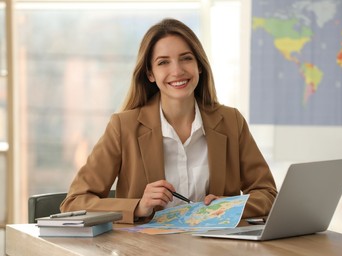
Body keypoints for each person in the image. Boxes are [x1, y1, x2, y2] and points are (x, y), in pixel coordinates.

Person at [60, 18, 277, 224]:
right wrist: (138, 207)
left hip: (216, 251)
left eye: (186, 58)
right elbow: (74, 202)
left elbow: (267, 194)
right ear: (150, 73)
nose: (177, 70)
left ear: (199, 65)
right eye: (163, 62)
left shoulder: (231, 121)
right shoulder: (123, 127)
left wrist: (230, 207)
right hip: (147, 255)